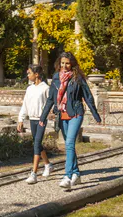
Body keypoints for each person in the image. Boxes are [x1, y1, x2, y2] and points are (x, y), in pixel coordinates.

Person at [38, 51, 102, 189]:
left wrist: (96, 115)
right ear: (59, 64)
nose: (65, 66)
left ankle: (67, 176)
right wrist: (42, 117)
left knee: (69, 143)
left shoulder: (77, 78)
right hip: (62, 115)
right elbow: (50, 99)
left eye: (67, 63)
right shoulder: (56, 78)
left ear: (72, 64)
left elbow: (88, 97)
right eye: (62, 63)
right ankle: (76, 174)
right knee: (69, 146)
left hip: (76, 113)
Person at [17, 64, 52, 183]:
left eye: (29, 73)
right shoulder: (29, 88)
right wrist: (21, 119)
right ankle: (47, 164)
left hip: (41, 119)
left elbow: (50, 103)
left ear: (36, 74)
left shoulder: (45, 88)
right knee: (37, 143)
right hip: (32, 119)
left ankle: (34, 173)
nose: (27, 75)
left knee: (36, 143)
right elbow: (25, 104)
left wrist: (48, 114)